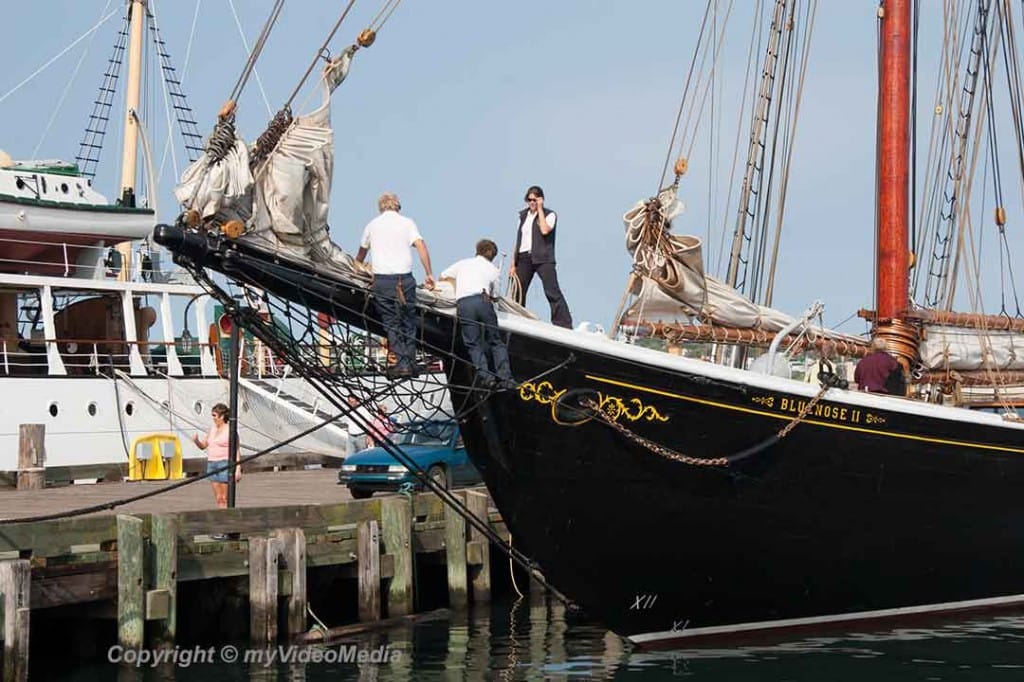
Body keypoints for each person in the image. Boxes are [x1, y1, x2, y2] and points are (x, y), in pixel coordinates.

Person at [356, 193, 435, 379]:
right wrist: (429, 273)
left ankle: (402, 364)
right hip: (404, 279)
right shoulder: (407, 223)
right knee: (408, 322)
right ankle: (411, 363)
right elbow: (421, 246)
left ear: (380, 207)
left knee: (392, 324)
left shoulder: (372, 225)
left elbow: (361, 254)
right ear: (397, 206)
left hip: (383, 281)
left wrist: (358, 265)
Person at [441, 238, 515, 389]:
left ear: (477, 250)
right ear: (492, 256)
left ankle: (486, 378)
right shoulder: (493, 270)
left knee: (473, 344)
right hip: (483, 301)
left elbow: (443, 275)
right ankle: (506, 378)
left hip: (464, 303)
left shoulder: (463, 264)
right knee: (495, 341)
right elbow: (496, 295)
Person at [510, 185, 572, 328]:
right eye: (529, 199)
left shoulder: (550, 215)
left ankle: (563, 324)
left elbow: (544, 230)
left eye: (534, 200)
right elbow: (518, 240)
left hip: (543, 258)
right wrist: (513, 264)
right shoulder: (522, 216)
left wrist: (540, 209)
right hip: (524, 257)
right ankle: (516, 317)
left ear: (540, 200)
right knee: (517, 290)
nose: (531, 202)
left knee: (551, 290)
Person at [192, 402, 241, 512]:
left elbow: (236, 450)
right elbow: (203, 446)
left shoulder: (230, 430)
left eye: (214, 415)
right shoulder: (212, 429)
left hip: (225, 464)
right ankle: (221, 520)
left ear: (222, 416)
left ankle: (228, 521)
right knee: (219, 498)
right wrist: (196, 441)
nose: (213, 418)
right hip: (212, 464)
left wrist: (238, 469)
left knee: (225, 498)